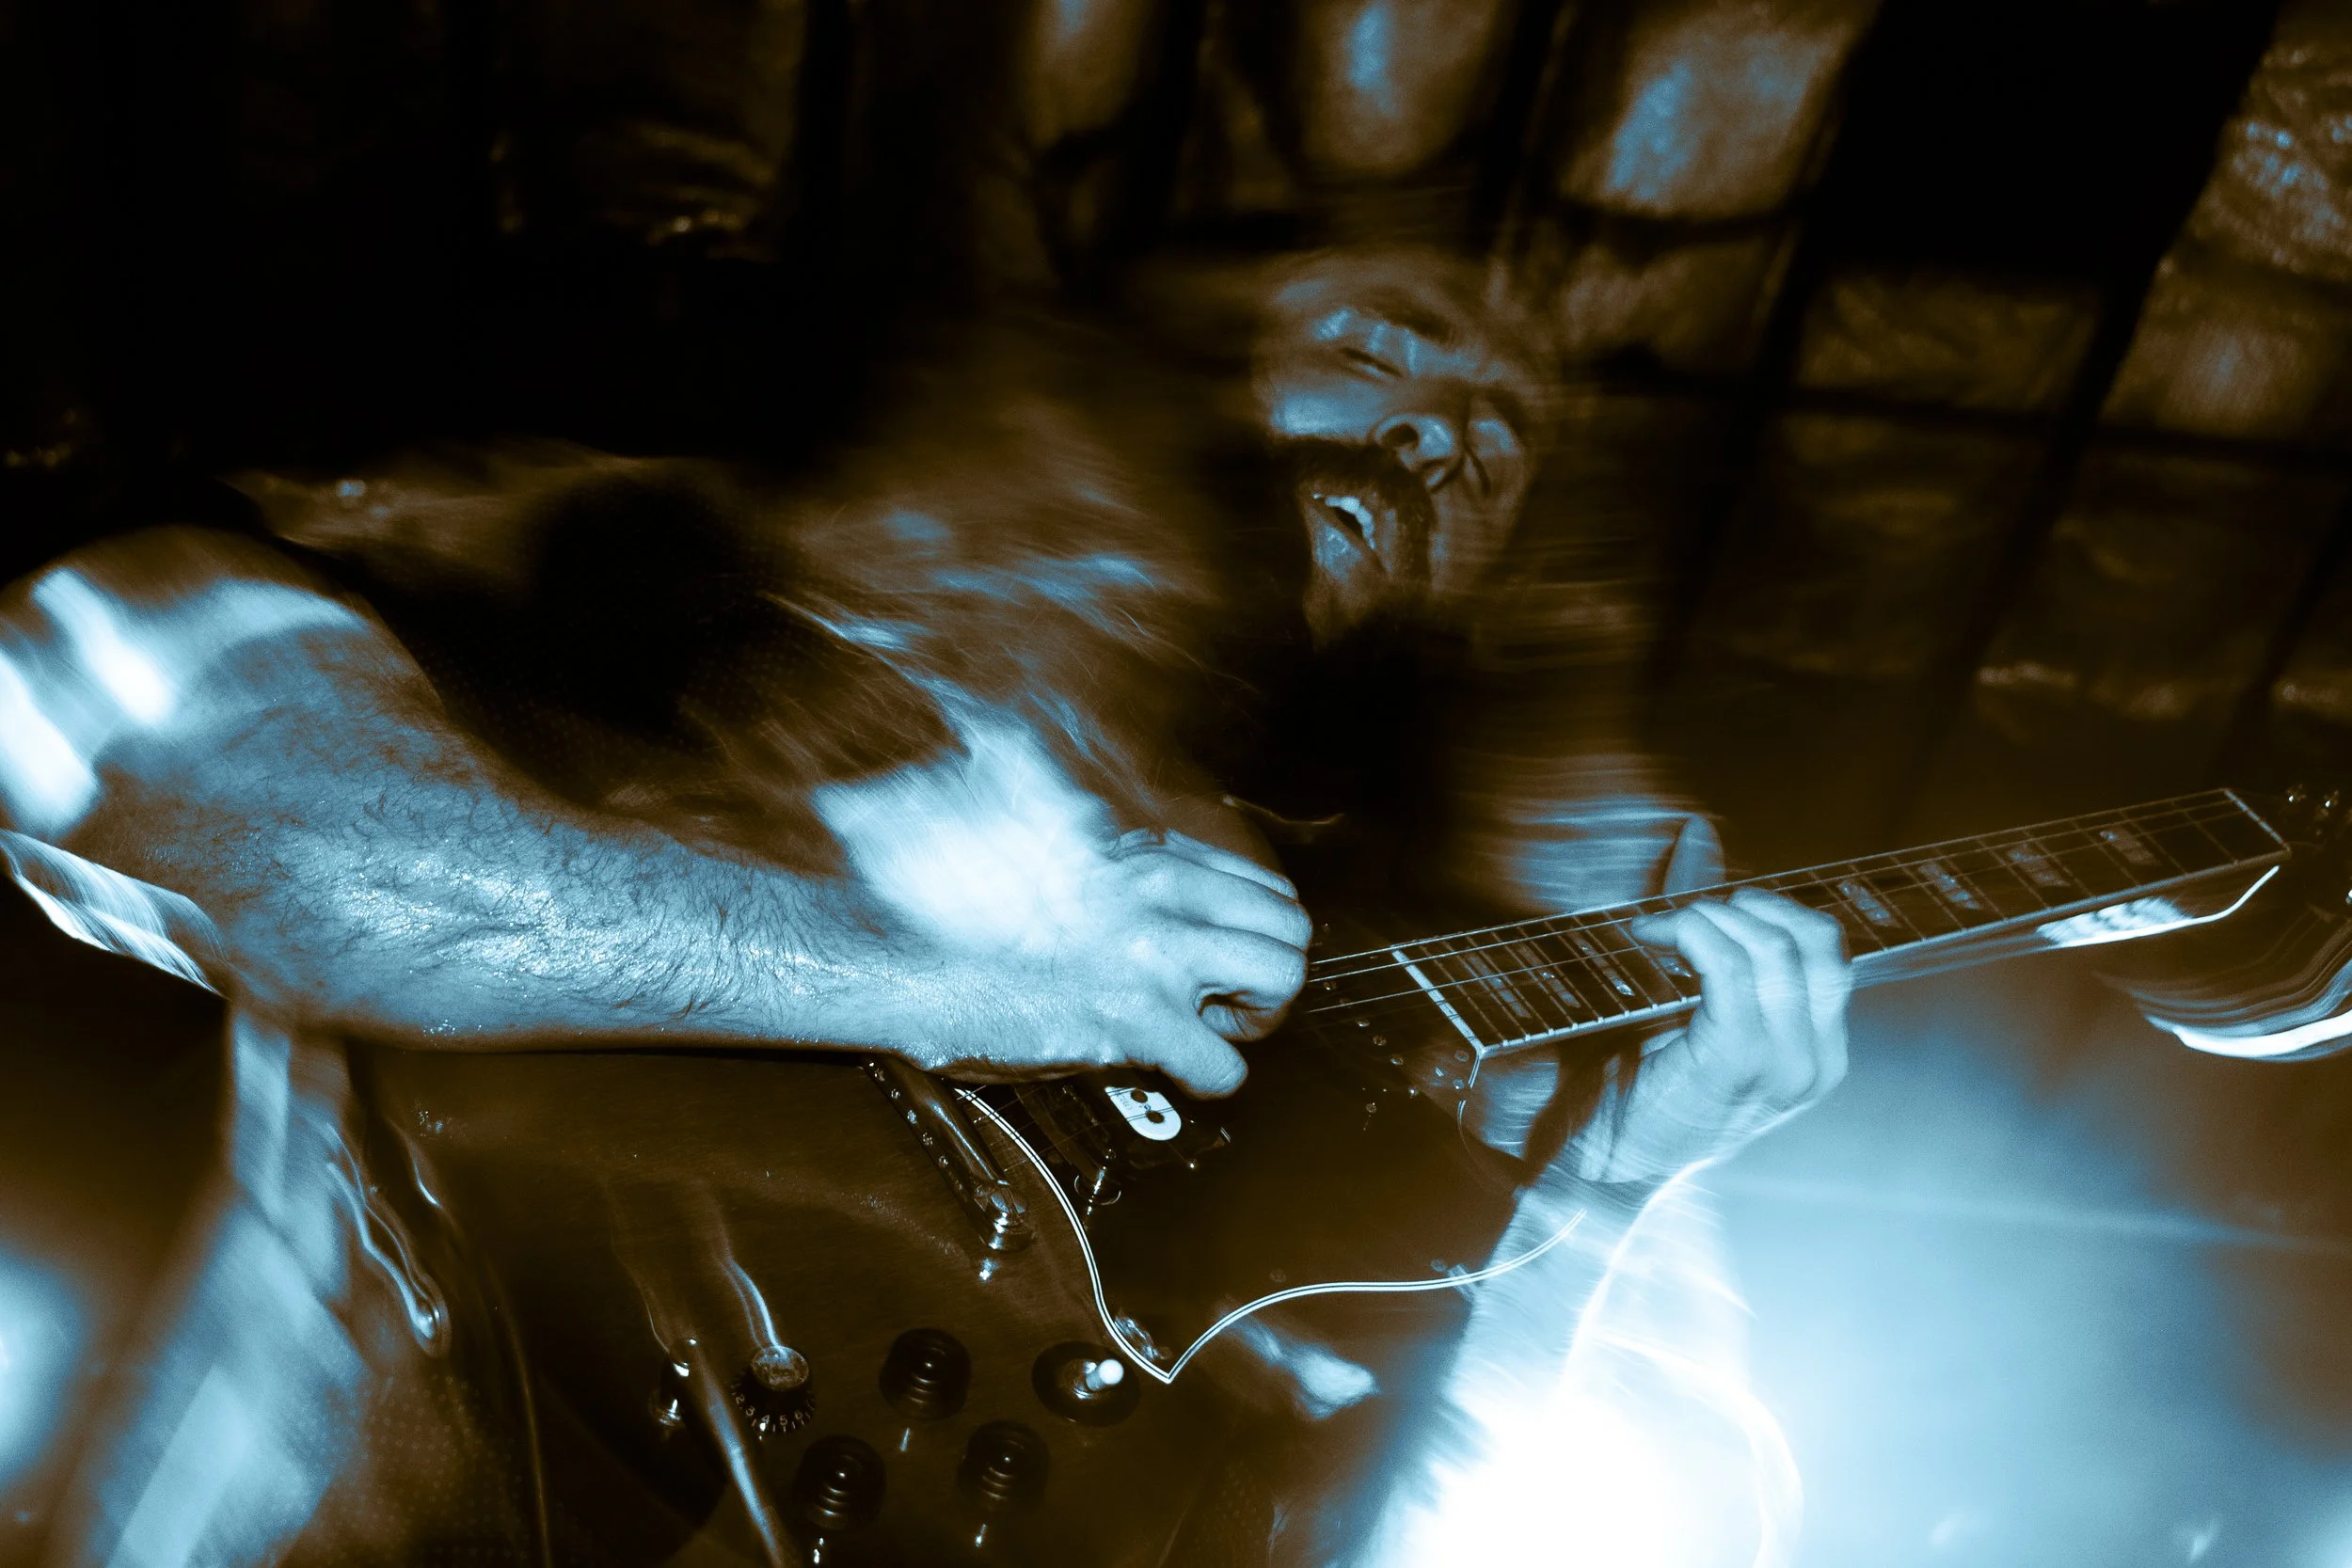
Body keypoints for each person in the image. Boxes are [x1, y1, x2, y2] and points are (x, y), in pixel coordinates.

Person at [0, 248, 1846, 1563]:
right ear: (1143, 363)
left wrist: (1604, 1192)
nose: (1435, 439)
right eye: (1380, 349)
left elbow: (1425, 1516)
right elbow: (194, 766)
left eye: (1493, 450)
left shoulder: (1336, 958)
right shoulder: (614, 595)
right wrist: (938, 969)